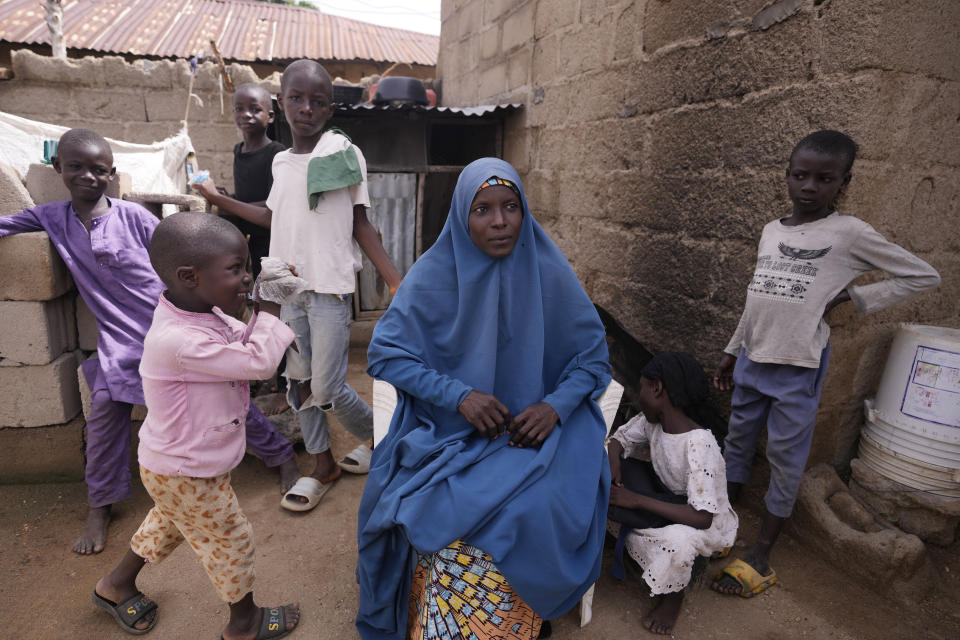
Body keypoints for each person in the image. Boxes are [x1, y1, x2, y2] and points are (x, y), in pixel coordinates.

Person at [0, 128, 300, 555]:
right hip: (118, 342)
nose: (88, 176)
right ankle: (100, 504)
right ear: (58, 169)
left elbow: (178, 261)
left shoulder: (133, 217)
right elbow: (7, 223)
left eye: (99, 169)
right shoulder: (53, 218)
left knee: (225, 397)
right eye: (77, 167)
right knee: (104, 409)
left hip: (169, 325)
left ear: (112, 173)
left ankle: (280, 455)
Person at [355, 158, 612, 640]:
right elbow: (385, 354)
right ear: (460, 216)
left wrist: (555, 405)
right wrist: (459, 396)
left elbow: (593, 361)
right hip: (450, 433)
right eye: (483, 209)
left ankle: (522, 619)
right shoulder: (433, 275)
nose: (499, 221)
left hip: (537, 435)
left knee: (536, 508)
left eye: (511, 207)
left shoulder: (548, 271)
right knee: (435, 511)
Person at [711, 130, 941, 598]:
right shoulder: (771, 231)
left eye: (823, 178)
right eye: (800, 175)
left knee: (784, 459)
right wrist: (732, 351)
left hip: (797, 366)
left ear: (844, 182)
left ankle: (762, 553)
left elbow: (922, 275)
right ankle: (718, 528)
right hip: (754, 358)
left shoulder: (849, 233)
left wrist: (852, 296)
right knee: (736, 442)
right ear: (788, 176)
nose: (809, 186)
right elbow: (756, 301)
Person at [196, 60, 402, 511]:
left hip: (328, 289)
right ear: (281, 104)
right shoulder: (282, 162)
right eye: (297, 98)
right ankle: (322, 464)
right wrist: (218, 200)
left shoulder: (342, 153)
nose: (306, 108)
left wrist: (394, 281)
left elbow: (362, 224)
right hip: (286, 287)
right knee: (299, 382)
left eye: (317, 101)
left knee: (326, 387)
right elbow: (273, 216)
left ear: (330, 109)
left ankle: (380, 438)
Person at [92, 212, 300, 638]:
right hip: (185, 468)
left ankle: (115, 585)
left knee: (170, 521)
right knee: (230, 539)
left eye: (247, 265)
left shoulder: (202, 312)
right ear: (189, 276)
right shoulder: (181, 339)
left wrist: (264, 317)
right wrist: (273, 308)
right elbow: (257, 362)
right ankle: (244, 625)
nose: (246, 278)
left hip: (178, 465)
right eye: (236, 268)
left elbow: (242, 339)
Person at [607, 352, 737, 635]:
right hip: (667, 497)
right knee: (605, 483)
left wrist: (637, 499)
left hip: (701, 518)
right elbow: (620, 439)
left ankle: (673, 597)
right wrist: (614, 461)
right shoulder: (653, 421)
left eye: (642, 387)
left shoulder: (698, 443)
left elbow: (703, 517)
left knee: (676, 543)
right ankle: (627, 536)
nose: (639, 394)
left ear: (657, 389)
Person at [193, 82, 289, 414]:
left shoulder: (277, 154)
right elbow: (248, 201)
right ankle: (267, 376)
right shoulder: (238, 151)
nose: (246, 115)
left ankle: (286, 388)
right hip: (250, 249)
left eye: (255, 109)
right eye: (239, 108)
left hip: (277, 247)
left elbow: (273, 211)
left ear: (271, 115)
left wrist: (222, 200)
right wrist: (226, 196)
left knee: (277, 317)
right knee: (256, 313)